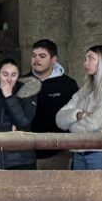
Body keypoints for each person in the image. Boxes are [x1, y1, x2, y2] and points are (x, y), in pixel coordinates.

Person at [55, 45, 102, 170]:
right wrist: (78, 115)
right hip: (79, 152)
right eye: (85, 58)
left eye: (91, 58)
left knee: (100, 190)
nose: (85, 63)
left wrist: (72, 127)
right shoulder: (84, 91)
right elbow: (59, 119)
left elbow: (95, 124)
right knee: (81, 190)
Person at [0, 58, 40, 171]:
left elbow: (24, 124)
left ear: (18, 76)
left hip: (22, 160)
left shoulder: (27, 93)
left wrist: (9, 96)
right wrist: (10, 130)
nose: (9, 79)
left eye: (13, 75)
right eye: (5, 74)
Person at [27, 39, 78, 168]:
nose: (36, 60)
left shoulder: (68, 84)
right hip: (26, 151)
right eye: (34, 56)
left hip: (58, 152)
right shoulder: (22, 83)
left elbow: (74, 115)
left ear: (54, 59)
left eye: (42, 56)